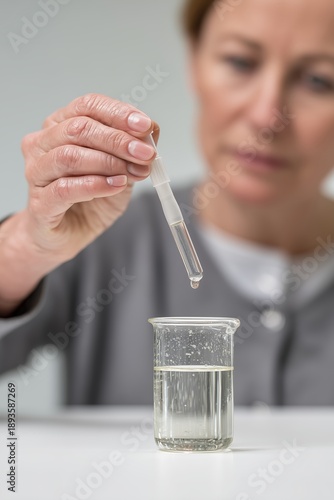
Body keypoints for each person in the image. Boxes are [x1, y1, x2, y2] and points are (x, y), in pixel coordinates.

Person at [1, 0, 334, 406]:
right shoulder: (102, 240)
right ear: (195, 62)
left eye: (319, 80)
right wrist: (21, 250)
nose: (267, 116)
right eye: (241, 62)